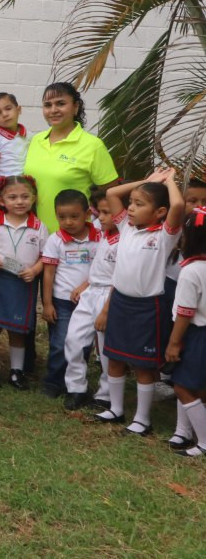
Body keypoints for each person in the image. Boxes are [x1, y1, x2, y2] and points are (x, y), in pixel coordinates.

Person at [93, 170, 184, 434]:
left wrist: (168, 181)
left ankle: (142, 419)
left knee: (143, 367)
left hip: (147, 307)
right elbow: (111, 193)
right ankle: (116, 409)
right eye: (130, 202)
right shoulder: (126, 228)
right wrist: (148, 182)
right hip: (120, 302)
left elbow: (177, 205)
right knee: (116, 358)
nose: (130, 208)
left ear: (159, 212)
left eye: (139, 204)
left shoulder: (164, 236)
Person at [22, 82, 119, 233]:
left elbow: (113, 193)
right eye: (48, 105)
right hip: (33, 235)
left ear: (76, 107)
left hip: (73, 239)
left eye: (60, 103)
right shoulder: (36, 140)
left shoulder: (93, 145)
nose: (53, 110)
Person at [0, 176, 46, 389]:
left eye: (25, 197)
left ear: (33, 199)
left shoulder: (38, 226)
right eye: (13, 197)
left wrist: (34, 270)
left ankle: (17, 371)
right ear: (1, 201)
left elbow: (46, 255)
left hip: (23, 283)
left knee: (18, 329)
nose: (19, 201)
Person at [41, 189, 101, 398]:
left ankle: (75, 383)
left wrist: (86, 285)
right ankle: (54, 381)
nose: (68, 222)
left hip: (90, 300)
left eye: (74, 216)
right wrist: (47, 303)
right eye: (62, 217)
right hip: (62, 301)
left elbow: (102, 269)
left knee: (82, 344)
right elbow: (48, 274)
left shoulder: (99, 238)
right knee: (60, 343)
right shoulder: (54, 240)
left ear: (87, 214)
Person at [63, 194, 120, 410]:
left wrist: (106, 310)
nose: (101, 217)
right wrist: (84, 286)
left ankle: (106, 394)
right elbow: (99, 268)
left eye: (108, 213)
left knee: (106, 348)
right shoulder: (104, 233)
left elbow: (119, 277)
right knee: (74, 339)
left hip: (109, 295)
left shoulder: (125, 239)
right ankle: (76, 388)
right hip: (91, 292)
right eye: (100, 212)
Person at [166, 212, 206, 457]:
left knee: (182, 386)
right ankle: (184, 432)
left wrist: (174, 342)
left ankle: (203, 441)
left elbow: (184, 312)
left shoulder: (191, 271)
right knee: (200, 387)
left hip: (196, 334)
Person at [0, 92, 29, 180]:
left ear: (19, 110)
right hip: (4, 187)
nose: (5, 114)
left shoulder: (30, 136)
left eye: (8, 109)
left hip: (26, 186)